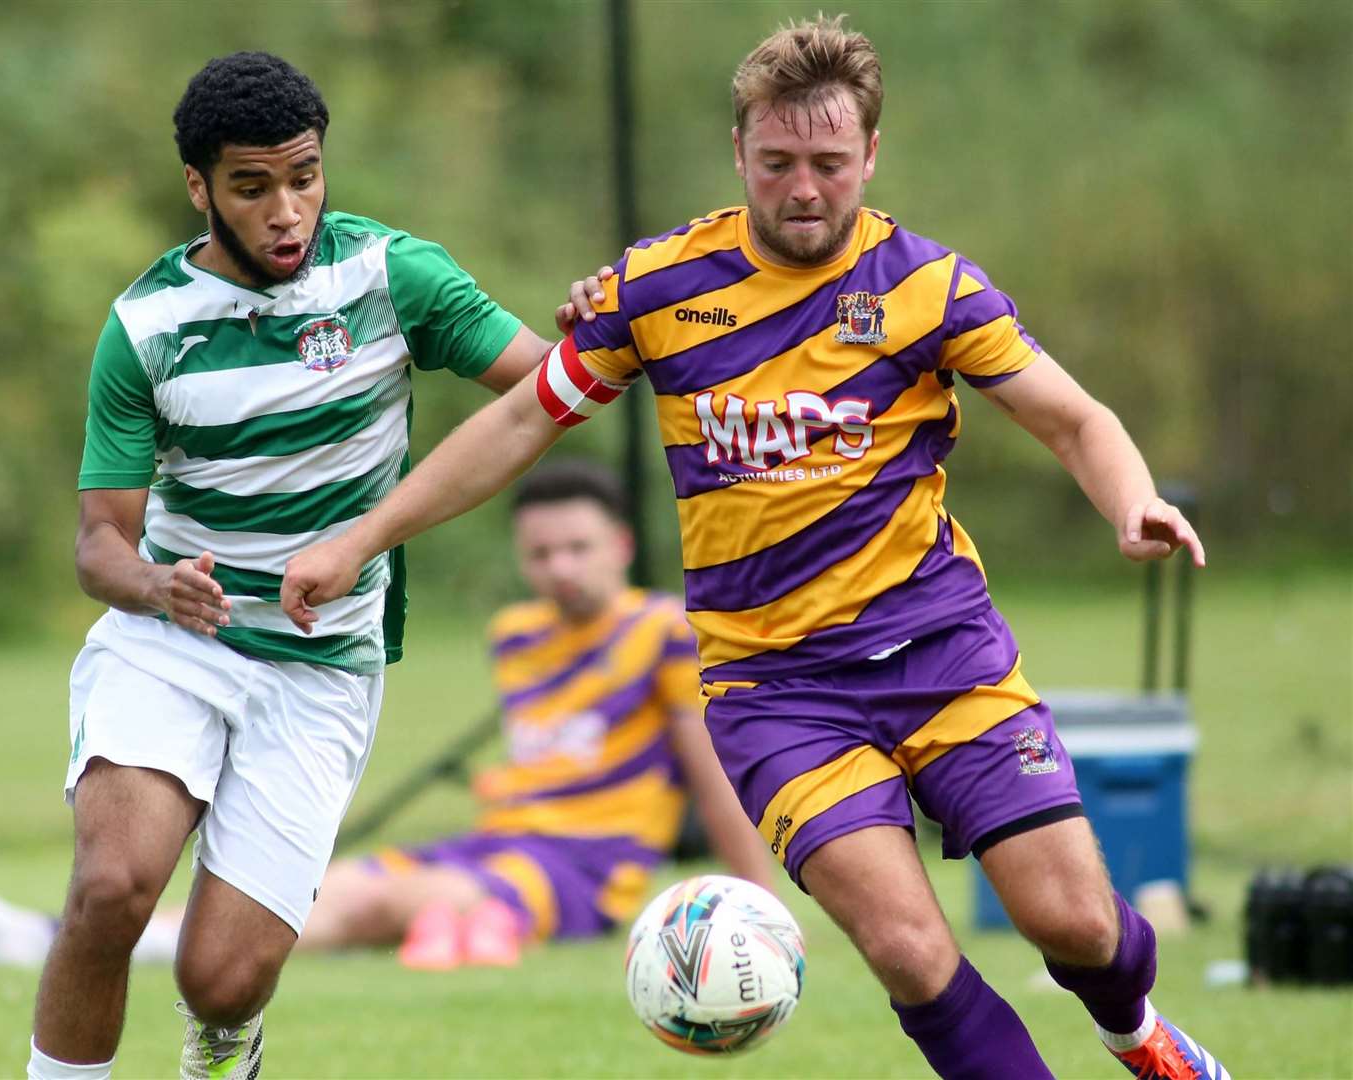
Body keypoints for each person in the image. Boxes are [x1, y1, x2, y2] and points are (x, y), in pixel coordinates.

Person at [279, 15, 1229, 1080]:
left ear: (871, 154)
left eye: (830, 163)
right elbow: (518, 421)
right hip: (774, 689)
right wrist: (362, 538)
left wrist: (1130, 500)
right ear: (739, 154)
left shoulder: (927, 287)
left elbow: (1074, 419)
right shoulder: (657, 289)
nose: (805, 189)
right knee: (910, 952)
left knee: (1076, 927)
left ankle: (1135, 1033)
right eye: (777, 163)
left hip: (945, 653)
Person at [27, 51, 575, 1080]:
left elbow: (542, 393)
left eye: (305, 176)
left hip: (319, 666)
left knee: (221, 979)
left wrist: (598, 335)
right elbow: (100, 542)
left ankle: (226, 1042)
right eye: (252, 185)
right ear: (199, 187)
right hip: (172, 642)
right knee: (111, 887)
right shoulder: (146, 328)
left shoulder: (389, 276)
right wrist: (158, 586)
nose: (288, 210)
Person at [0, 461, 770, 974]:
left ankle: (46, 944)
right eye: (541, 553)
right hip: (494, 841)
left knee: (390, 904)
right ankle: (52, 936)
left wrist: (753, 903)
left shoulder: (663, 631)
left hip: (580, 870)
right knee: (311, 890)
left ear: (622, 545)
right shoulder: (517, 634)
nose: (559, 568)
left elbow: (713, 766)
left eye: (578, 548)